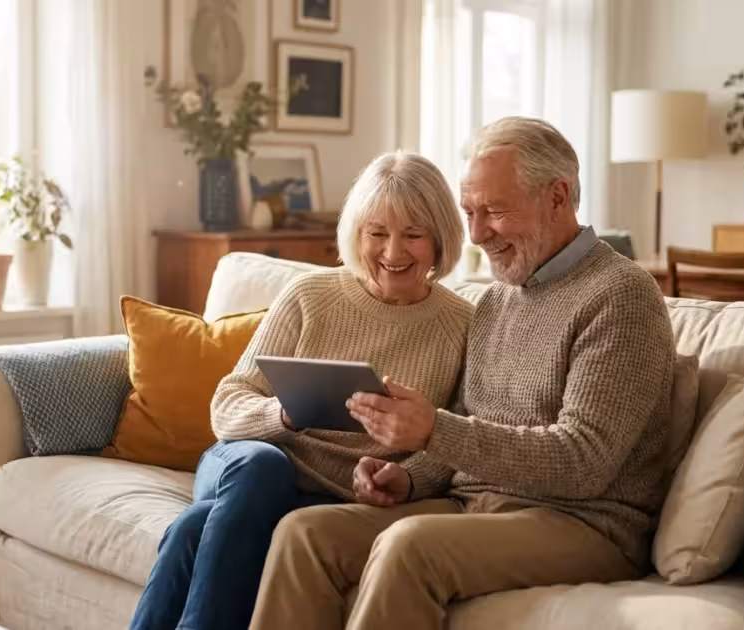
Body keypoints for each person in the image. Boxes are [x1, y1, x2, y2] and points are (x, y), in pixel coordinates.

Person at [249, 116, 677, 630]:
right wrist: (407, 478)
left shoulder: (621, 295)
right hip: (476, 504)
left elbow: (584, 460)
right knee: (304, 535)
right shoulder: (496, 300)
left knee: (408, 547)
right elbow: (469, 434)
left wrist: (433, 428)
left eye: (494, 212)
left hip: (586, 523)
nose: (477, 234)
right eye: (469, 212)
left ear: (558, 197)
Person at [127, 151, 474, 630]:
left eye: (413, 235)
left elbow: (457, 441)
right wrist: (283, 415)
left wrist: (407, 478)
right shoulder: (310, 297)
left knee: (192, 529)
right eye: (377, 233)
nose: (393, 253)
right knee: (263, 467)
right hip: (244, 464)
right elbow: (228, 404)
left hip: (332, 496)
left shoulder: (463, 325)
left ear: (440, 240)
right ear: (357, 235)